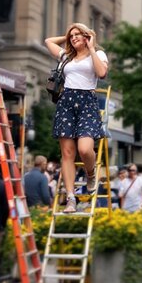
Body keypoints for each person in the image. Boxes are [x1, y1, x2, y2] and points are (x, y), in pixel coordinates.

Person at [45, 23, 108, 213]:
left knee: (85, 148)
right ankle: (71, 197)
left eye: (78, 34)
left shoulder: (98, 55)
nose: (73, 38)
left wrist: (90, 46)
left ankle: (90, 174)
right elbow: (48, 41)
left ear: (88, 36)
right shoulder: (67, 56)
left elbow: (102, 73)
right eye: (71, 35)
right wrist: (67, 35)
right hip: (66, 102)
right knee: (67, 153)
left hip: (87, 101)